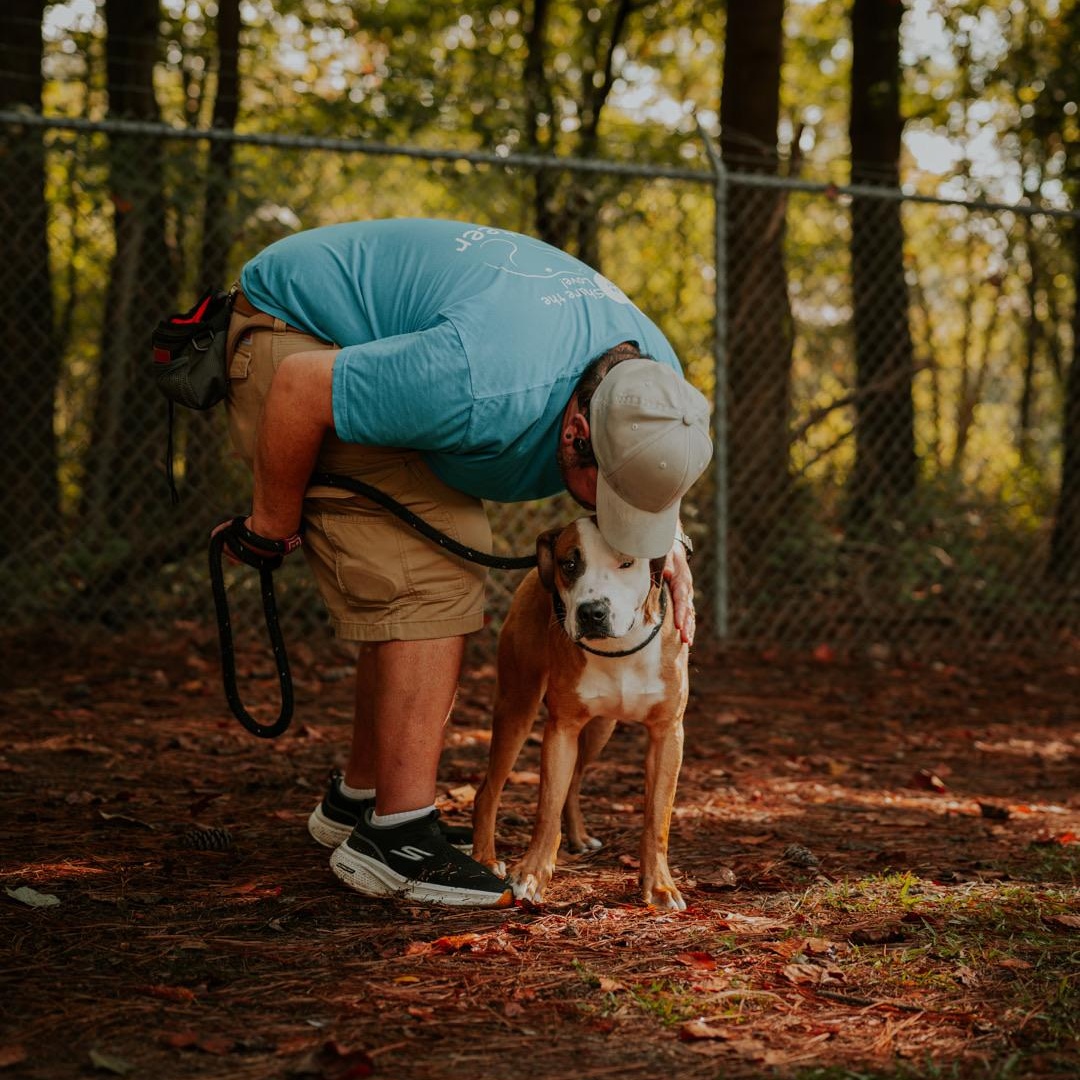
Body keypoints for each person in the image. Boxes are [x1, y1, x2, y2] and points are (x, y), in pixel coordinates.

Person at [215, 218, 713, 908]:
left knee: (411, 563)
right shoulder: (480, 380)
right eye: (618, 502)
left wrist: (670, 542)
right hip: (289, 334)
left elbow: (657, 472)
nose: (619, 527)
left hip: (373, 335)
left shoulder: (658, 388)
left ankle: (359, 800)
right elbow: (301, 389)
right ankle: (396, 841)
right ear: (575, 434)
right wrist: (269, 528)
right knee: (431, 567)